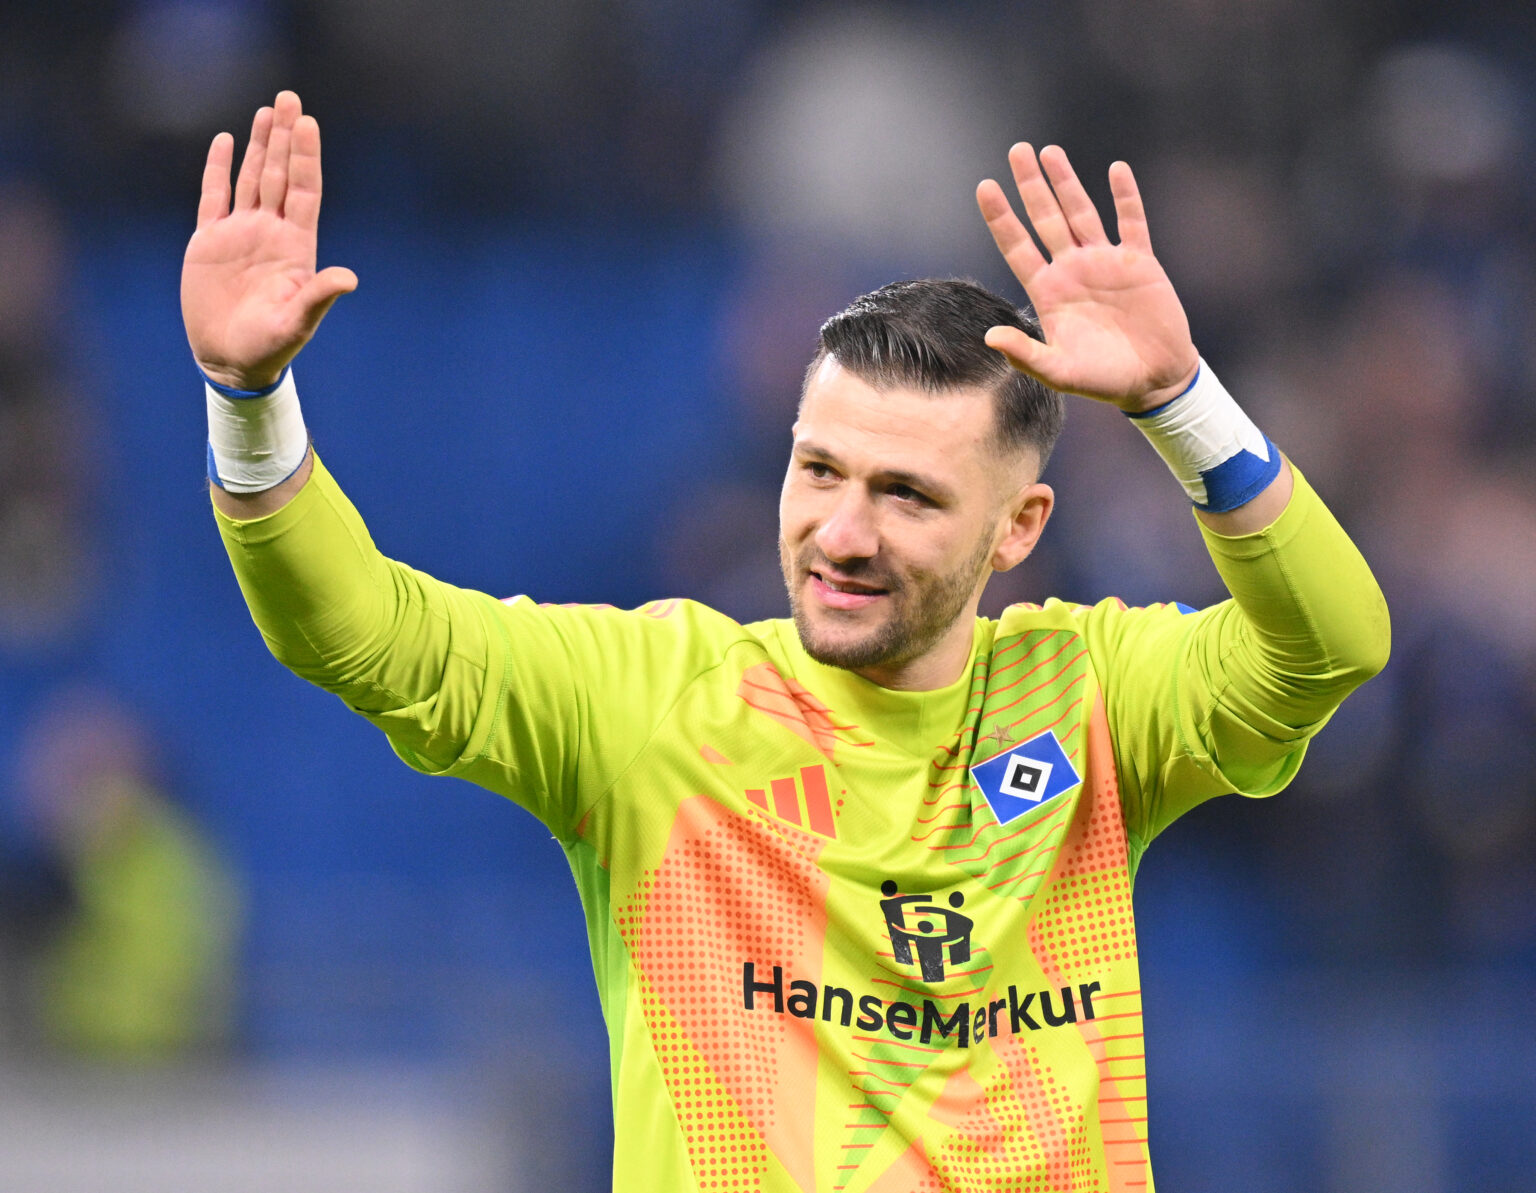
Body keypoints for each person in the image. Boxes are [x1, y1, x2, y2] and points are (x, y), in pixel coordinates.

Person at [183, 91, 1388, 1191]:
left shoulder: (1094, 694)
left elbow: (1334, 643)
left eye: (908, 495)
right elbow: (355, 629)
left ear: (1019, 526)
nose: (842, 532)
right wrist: (247, 401)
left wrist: (1180, 402)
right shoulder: (653, 705)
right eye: (819, 470)